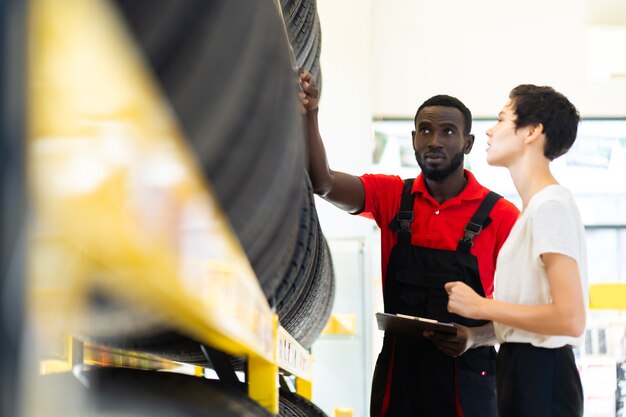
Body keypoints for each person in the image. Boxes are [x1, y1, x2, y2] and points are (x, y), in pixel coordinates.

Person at [298, 69, 520, 417]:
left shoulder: (502, 216)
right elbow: (322, 182)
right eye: (426, 130)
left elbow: (522, 316)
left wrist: (474, 337)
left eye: (448, 131)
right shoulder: (391, 196)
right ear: (413, 137)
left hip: (467, 376)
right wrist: (310, 113)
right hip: (399, 373)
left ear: (468, 143)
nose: (435, 140)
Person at [445, 84, 587, 417]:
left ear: (533, 132)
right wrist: (478, 331)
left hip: (541, 373)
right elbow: (535, 311)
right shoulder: (536, 208)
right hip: (521, 369)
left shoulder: (550, 206)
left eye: (502, 119)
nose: (490, 131)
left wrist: (482, 306)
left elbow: (570, 318)